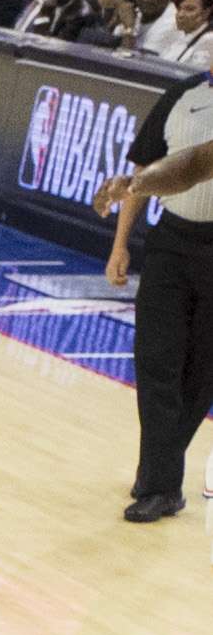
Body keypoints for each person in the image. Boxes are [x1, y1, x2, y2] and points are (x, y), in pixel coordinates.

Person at [99, 57, 213, 565]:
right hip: (171, 243)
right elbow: (147, 166)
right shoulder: (183, 95)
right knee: (156, 359)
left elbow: (190, 167)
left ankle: (160, 476)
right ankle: (162, 482)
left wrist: (137, 185)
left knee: (201, 369)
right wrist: (120, 245)